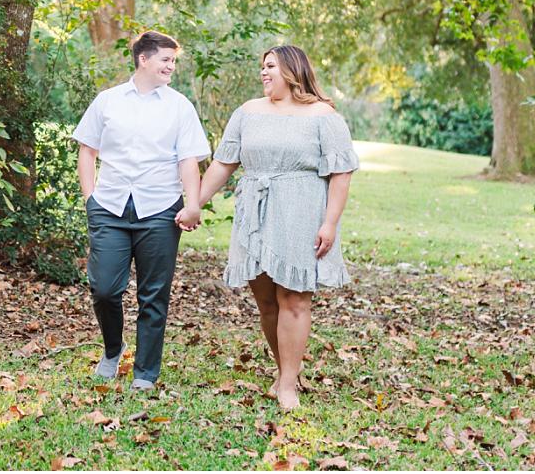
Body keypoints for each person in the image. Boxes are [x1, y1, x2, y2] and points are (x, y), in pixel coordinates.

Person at [197, 45, 358, 410]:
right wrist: (195, 204)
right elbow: (224, 163)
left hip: (301, 210)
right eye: (262, 67)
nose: (263, 72)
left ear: (291, 69)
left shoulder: (323, 115)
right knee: (267, 301)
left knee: (295, 298)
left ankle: (287, 384)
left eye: (270, 66)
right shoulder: (248, 112)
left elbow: (341, 173)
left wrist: (330, 223)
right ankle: (287, 368)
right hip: (255, 211)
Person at [72, 30, 211, 391]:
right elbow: (87, 150)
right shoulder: (108, 101)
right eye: (166, 59)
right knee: (104, 288)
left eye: (174, 61)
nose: (171, 67)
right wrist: (90, 198)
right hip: (110, 205)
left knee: (154, 294)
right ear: (143, 59)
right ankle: (113, 350)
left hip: (161, 209)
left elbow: (188, 160)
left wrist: (192, 203)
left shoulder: (179, 106)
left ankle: (146, 373)